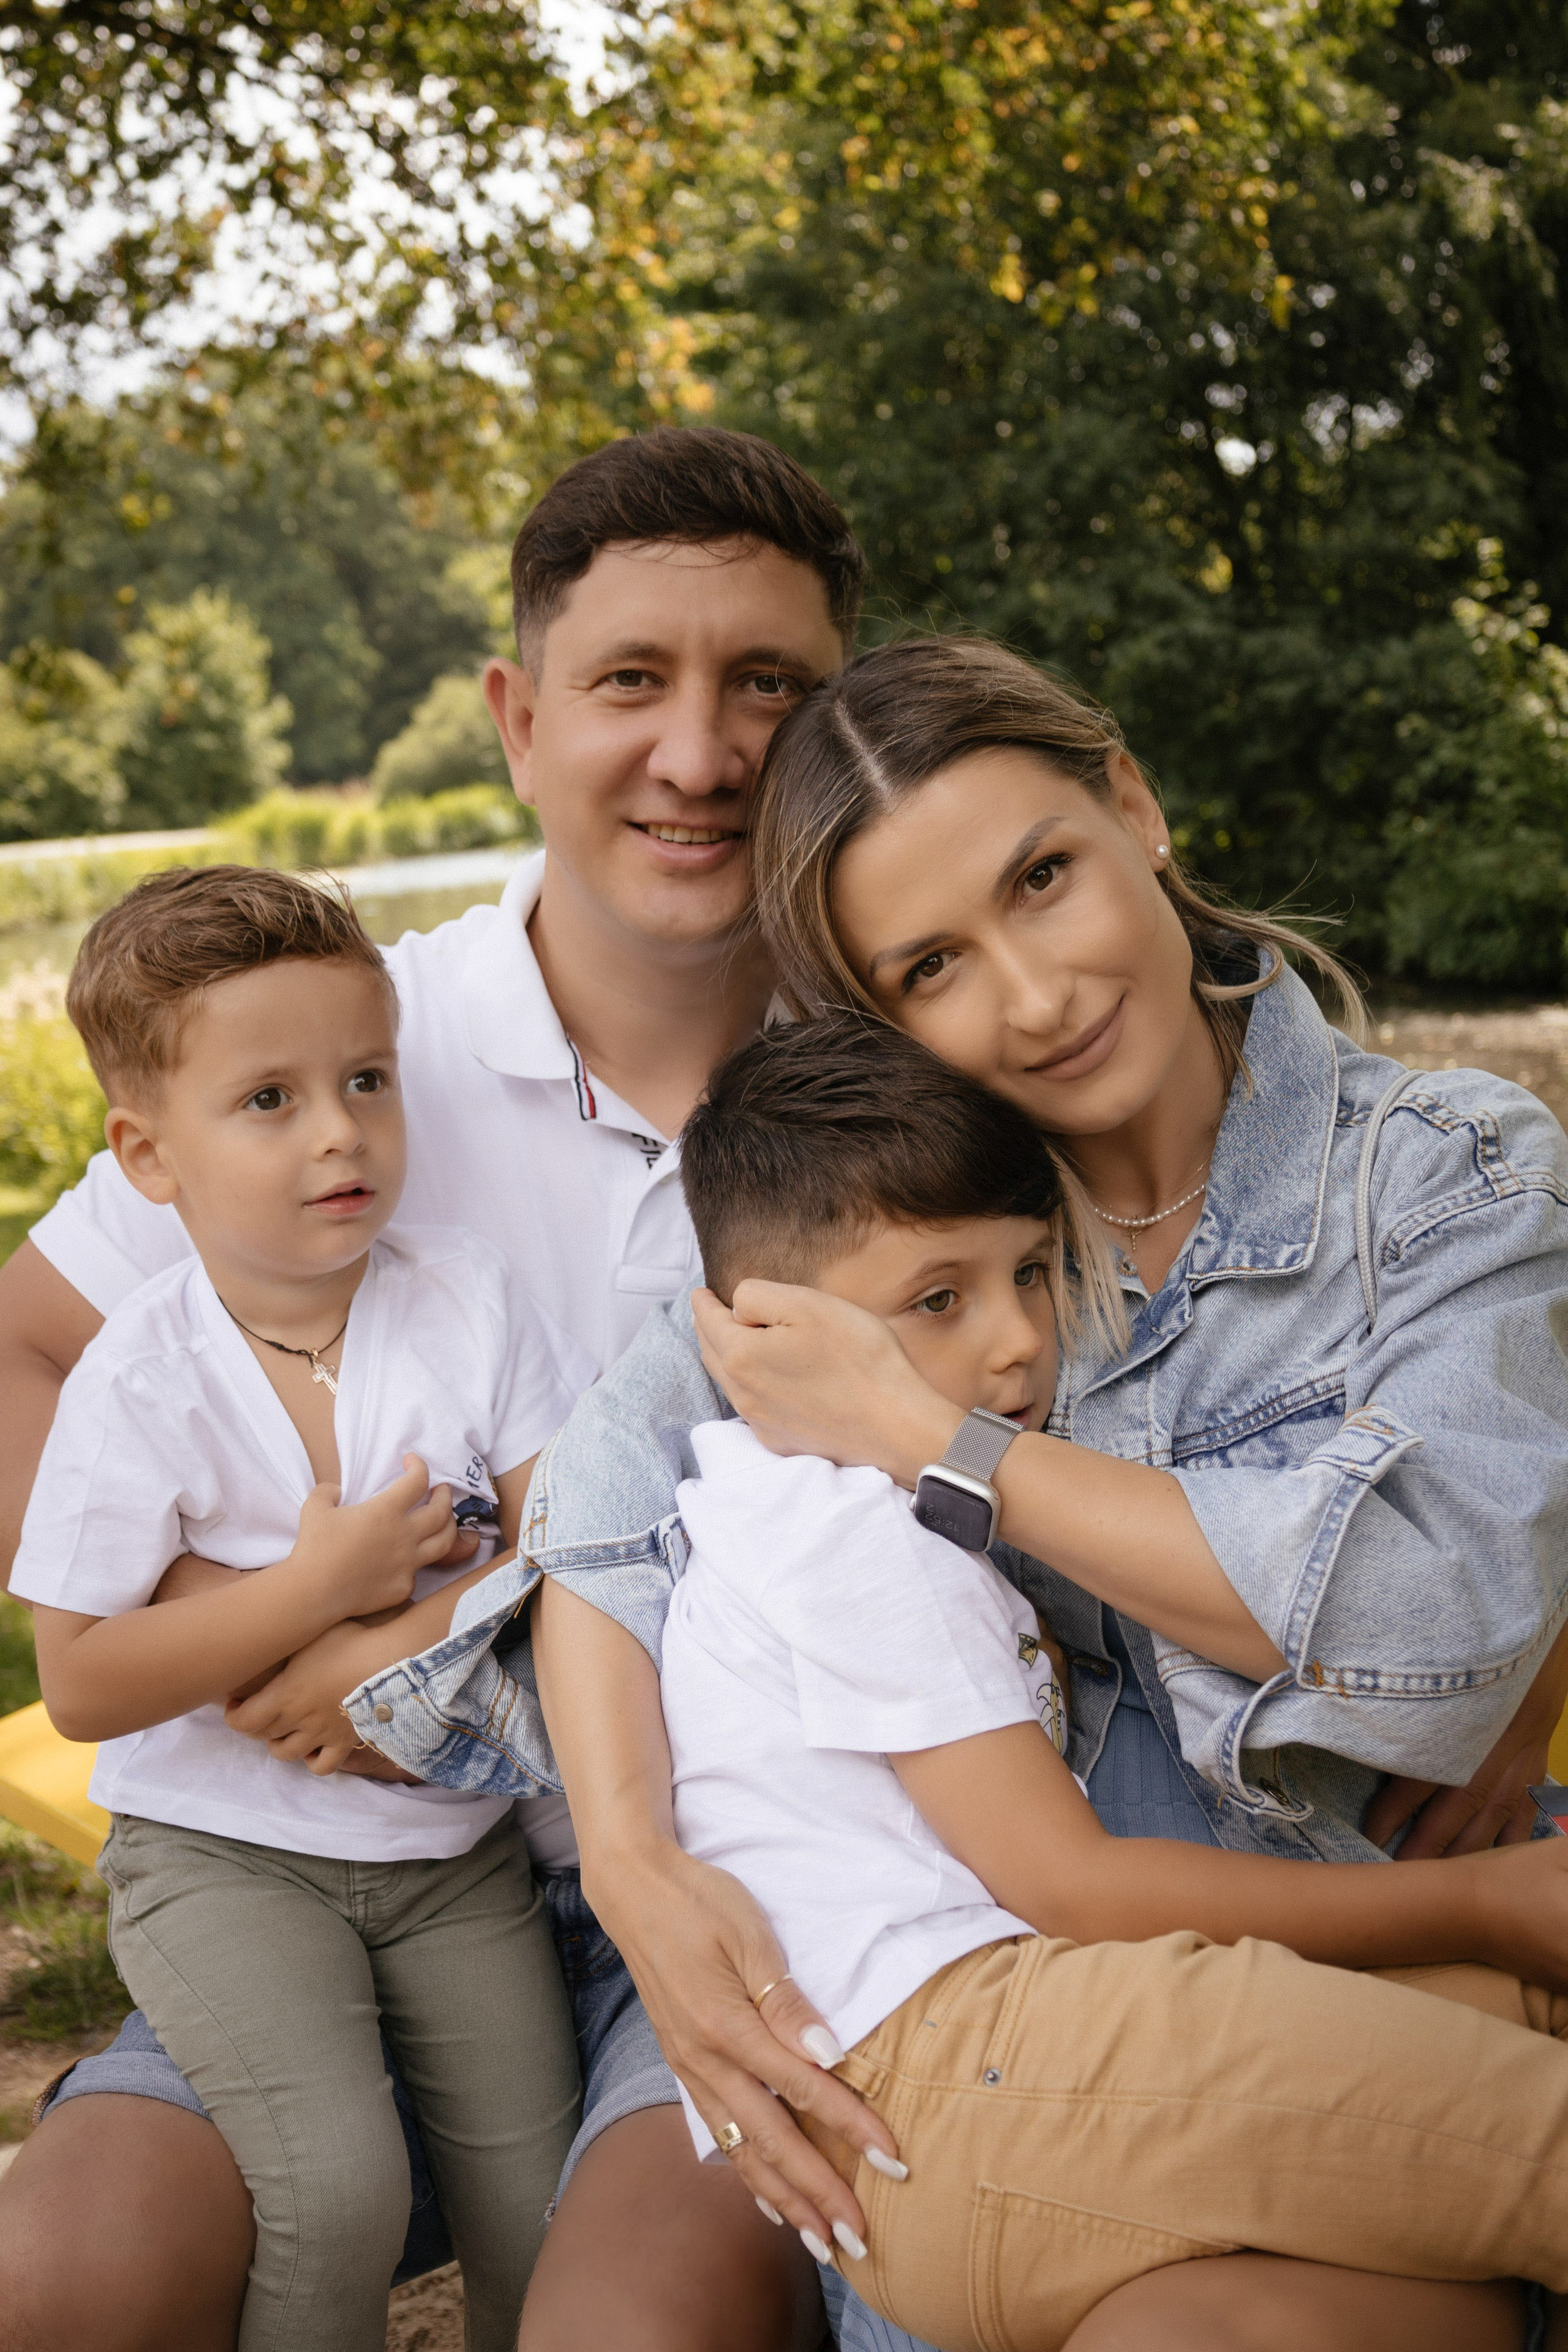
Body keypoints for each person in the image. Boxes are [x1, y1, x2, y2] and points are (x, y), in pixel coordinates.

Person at [359, 632, 1568, 2352]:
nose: (1035, 995)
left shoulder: (1443, 1176)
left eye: (1046, 878)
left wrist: (950, 1444)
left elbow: (1431, 1611)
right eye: (933, 967)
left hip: (1323, 1947)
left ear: (1133, 806)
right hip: (1029, 2039)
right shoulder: (903, 1235)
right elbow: (610, 1517)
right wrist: (633, 1860)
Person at [0, 425, 861, 2352]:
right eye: (632, 679)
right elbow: (23, 1339)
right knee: (63, 2279)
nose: (704, 755)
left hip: (732, 1883)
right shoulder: (348, 1047)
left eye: (773, 691)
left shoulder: (899, 1070)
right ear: (515, 715)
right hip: (322, 1866)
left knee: (616, 2330)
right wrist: (247, 1626)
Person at [663, 1013, 1568, 2346]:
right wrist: (1475, 1902)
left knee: (1512, 2041)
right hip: (976, 2054)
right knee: (1535, 2143)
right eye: (935, 1301)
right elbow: (1072, 1889)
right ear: (764, 1330)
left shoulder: (764, 1499)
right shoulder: (849, 1528)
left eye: (1028, 1273)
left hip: (965, 2117)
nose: (1017, 1341)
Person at [14, 866, 587, 2352]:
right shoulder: (139, 1379)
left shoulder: (466, 1301)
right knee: (331, 2189)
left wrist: (409, 1635)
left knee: (537, 2202)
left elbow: (567, 1545)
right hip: (227, 1862)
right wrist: (313, 1589)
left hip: (453, 1852)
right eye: (267, 1100)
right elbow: (80, 1682)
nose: (339, 1129)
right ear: (149, 1154)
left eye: (366, 1080)